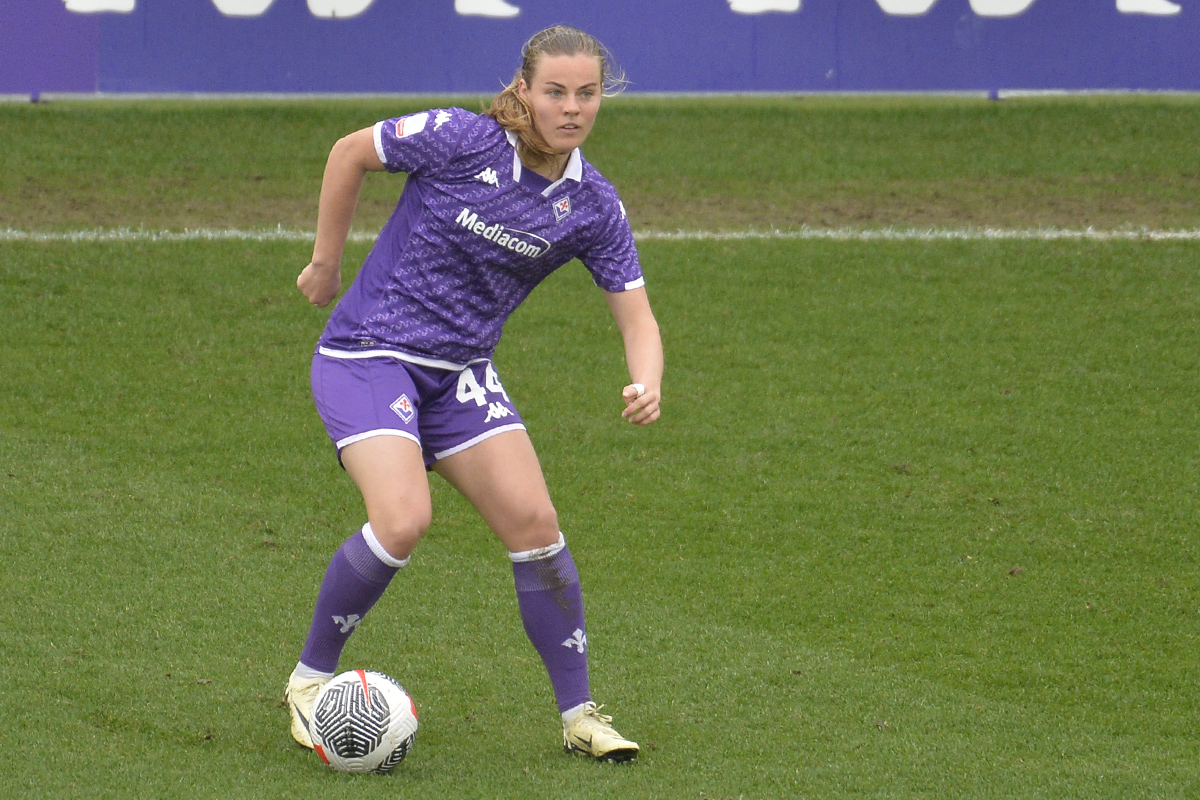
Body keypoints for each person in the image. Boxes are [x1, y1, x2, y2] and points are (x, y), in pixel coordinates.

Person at [284, 25, 662, 763]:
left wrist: (646, 378)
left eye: (587, 94)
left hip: (456, 375)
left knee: (536, 523)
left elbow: (637, 314)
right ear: (525, 90)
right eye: (556, 91)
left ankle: (580, 713)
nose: (572, 107)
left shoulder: (592, 205)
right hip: (368, 355)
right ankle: (307, 684)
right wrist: (326, 263)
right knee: (402, 521)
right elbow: (349, 153)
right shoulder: (462, 140)